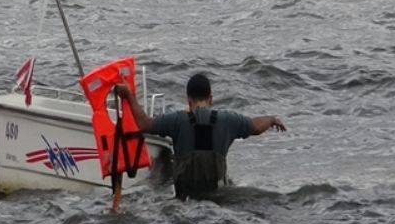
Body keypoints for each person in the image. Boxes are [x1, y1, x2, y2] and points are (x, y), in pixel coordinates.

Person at [114, 72, 286, 200]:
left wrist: (129, 96)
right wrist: (271, 119)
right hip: (218, 198)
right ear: (211, 99)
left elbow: (144, 124)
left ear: (188, 101)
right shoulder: (228, 120)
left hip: (185, 200)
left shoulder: (177, 120)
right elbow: (255, 127)